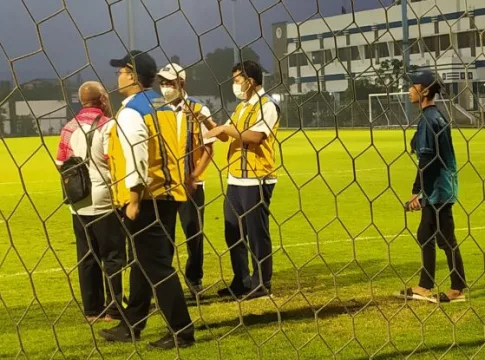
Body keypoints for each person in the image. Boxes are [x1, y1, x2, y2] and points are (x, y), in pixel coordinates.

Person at [99, 50, 194, 350]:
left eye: (120, 71)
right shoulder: (163, 105)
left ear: (131, 73)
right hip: (168, 193)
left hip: (147, 197)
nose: (117, 77)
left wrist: (133, 199)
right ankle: (131, 326)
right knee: (143, 262)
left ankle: (182, 331)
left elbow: (137, 156)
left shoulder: (131, 111)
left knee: (157, 267)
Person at [203, 60, 279, 300]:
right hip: (236, 178)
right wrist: (205, 121)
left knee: (257, 233)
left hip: (258, 179)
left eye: (237, 79)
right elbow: (225, 135)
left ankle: (261, 284)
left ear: (251, 81)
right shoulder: (242, 108)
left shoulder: (267, 105)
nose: (234, 84)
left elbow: (256, 137)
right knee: (233, 231)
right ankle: (241, 281)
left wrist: (226, 130)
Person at [56, 81, 126, 322]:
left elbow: (60, 164)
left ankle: (91, 310)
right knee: (113, 255)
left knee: (87, 256)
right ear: (103, 99)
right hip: (104, 197)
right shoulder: (109, 126)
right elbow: (116, 162)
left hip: (78, 201)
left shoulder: (68, 128)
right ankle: (114, 308)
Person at [396, 68, 466, 303]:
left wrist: (418, 191)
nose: (409, 90)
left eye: (413, 86)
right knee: (425, 234)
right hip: (439, 187)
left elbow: (428, 160)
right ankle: (425, 286)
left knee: (446, 239)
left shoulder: (429, 119)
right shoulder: (435, 116)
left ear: (424, 91)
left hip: (439, 189)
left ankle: (457, 288)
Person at [157, 62, 217, 297]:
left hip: (192, 186)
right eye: (162, 83)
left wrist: (194, 176)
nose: (165, 88)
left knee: (193, 233)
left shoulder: (199, 110)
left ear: (181, 83)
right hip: (165, 186)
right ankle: (167, 281)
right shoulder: (158, 111)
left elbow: (210, 149)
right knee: (165, 235)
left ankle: (194, 279)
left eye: (169, 83)